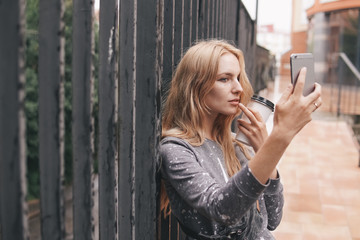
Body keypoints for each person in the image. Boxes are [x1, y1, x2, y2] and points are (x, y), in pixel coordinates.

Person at [159, 39, 322, 239]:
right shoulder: (176, 150)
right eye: (225, 79)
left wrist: (264, 148)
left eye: (237, 77)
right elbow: (222, 209)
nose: (238, 88)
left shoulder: (236, 143)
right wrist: (281, 136)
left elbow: (273, 218)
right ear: (195, 85)